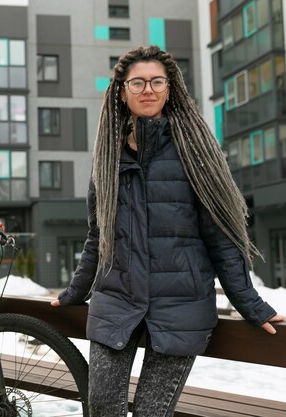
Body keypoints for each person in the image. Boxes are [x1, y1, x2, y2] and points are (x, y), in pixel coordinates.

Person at [50, 45, 284, 417]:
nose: (148, 89)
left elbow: (223, 237)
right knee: (101, 408)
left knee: (151, 414)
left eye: (157, 81)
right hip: (116, 303)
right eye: (138, 82)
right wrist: (76, 292)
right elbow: (98, 236)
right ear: (122, 92)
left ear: (170, 88)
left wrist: (252, 305)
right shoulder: (108, 160)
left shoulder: (197, 154)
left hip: (181, 306)